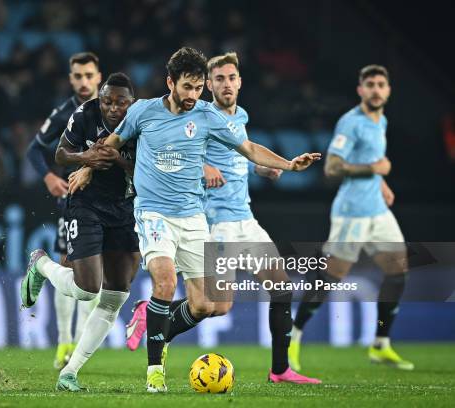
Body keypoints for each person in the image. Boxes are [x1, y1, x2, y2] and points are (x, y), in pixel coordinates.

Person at [68, 47, 321, 392]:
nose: (192, 95)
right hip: (153, 214)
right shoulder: (143, 112)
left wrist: (289, 164)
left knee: (205, 304)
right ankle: (154, 373)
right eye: (187, 87)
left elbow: (249, 149)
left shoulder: (206, 115)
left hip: (193, 218)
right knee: (166, 283)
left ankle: (157, 324)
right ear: (170, 82)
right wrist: (85, 167)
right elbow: (110, 144)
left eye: (198, 88)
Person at [288, 65, 413, 371]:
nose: (375, 89)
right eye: (369, 84)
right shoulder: (351, 122)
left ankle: (381, 344)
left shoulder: (379, 119)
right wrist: (374, 171)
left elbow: (369, 160)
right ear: (360, 90)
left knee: (398, 271)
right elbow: (332, 167)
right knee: (329, 278)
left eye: (380, 84)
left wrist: (380, 183)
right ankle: (293, 336)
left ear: (388, 90)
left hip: (377, 212)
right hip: (351, 214)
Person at [21, 73, 140, 391]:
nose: (113, 108)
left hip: (125, 210)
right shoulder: (84, 113)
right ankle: (41, 264)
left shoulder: (144, 119)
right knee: (88, 289)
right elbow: (60, 154)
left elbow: (149, 168)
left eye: (120, 102)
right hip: (85, 205)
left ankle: (69, 373)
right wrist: (85, 159)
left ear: (132, 101)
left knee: (116, 295)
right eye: (107, 101)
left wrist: (119, 162)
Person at [25, 52, 102, 369]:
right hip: (73, 203)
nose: (83, 82)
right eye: (77, 76)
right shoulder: (65, 112)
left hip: (109, 204)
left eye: (89, 75)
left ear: (99, 76)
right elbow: (34, 149)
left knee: (98, 275)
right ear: (70, 79)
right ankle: (63, 343)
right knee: (71, 267)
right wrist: (48, 177)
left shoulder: (114, 109)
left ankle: (80, 342)